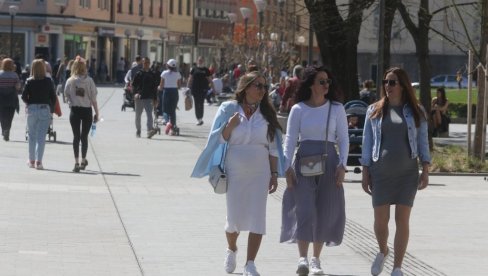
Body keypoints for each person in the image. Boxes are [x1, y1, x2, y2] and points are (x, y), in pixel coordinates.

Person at [191, 71, 286, 276]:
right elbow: (219, 140)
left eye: (264, 86)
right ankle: (231, 248)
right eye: (257, 86)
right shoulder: (228, 109)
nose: (262, 90)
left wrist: (274, 173)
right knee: (234, 218)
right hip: (235, 171)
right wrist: (229, 126)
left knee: (258, 217)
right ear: (245, 88)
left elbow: (273, 148)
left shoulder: (267, 113)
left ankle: (250, 263)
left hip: (260, 172)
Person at [360, 67, 430, 276]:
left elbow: (423, 142)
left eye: (392, 82)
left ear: (402, 86)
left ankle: (397, 267)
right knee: (380, 221)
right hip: (380, 172)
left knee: (402, 220)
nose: (387, 86)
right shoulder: (374, 110)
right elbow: (367, 142)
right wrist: (365, 172)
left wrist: (425, 170)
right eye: (385, 82)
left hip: (407, 173)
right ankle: (383, 250)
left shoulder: (417, 111)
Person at [281, 66, 349, 275]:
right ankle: (302, 258)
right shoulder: (298, 109)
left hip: (329, 162)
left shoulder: (336, 108)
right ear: (311, 85)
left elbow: (343, 138)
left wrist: (343, 166)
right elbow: (290, 139)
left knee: (324, 210)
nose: (326, 85)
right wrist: (287, 167)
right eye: (321, 81)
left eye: (328, 81)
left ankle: (315, 260)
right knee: (305, 208)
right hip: (304, 163)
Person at [64, 56, 100, 173]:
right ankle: (83, 160)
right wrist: (97, 113)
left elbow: (66, 95)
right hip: (86, 111)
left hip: (75, 110)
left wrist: (70, 102)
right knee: (84, 137)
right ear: (84, 67)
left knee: (76, 137)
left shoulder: (70, 81)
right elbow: (93, 98)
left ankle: (76, 163)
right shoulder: (89, 81)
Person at [21, 59, 57, 169]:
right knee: (41, 137)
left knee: (31, 136)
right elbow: (53, 97)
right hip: (44, 109)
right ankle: (39, 162)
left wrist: (29, 103)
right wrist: (50, 108)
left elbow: (23, 96)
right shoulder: (48, 81)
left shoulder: (29, 81)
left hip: (32, 109)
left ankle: (31, 160)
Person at [131, 57, 159, 138]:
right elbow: (133, 85)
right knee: (138, 115)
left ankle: (149, 130)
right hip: (139, 97)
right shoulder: (139, 73)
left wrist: (155, 99)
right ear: (142, 63)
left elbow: (154, 88)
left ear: (149, 63)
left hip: (148, 97)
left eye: (147, 62)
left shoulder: (152, 74)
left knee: (149, 115)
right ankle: (138, 130)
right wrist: (135, 94)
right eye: (144, 62)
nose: (146, 64)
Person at [158, 59, 181, 135]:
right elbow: (179, 85)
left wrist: (159, 88)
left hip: (166, 92)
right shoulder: (178, 74)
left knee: (165, 109)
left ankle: (167, 122)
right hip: (174, 92)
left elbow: (161, 86)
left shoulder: (164, 73)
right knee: (172, 110)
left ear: (168, 65)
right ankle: (173, 128)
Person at [0, 58, 21, 141]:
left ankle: (4, 129)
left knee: (2, 115)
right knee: (10, 115)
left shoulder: (0, 74)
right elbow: (18, 86)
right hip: (11, 98)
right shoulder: (14, 75)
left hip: (1, 98)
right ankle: (7, 129)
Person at [187, 56, 212, 126]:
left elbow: (210, 79)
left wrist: (213, 88)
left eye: (201, 60)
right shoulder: (194, 69)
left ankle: (200, 118)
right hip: (195, 89)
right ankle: (198, 118)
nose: (200, 61)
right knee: (196, 103)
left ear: (203, 61)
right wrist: (187, 87)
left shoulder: (206, 70)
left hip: (203, 89)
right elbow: (190, 78)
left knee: (201, 103)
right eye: (199, 60)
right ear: (197, 61)